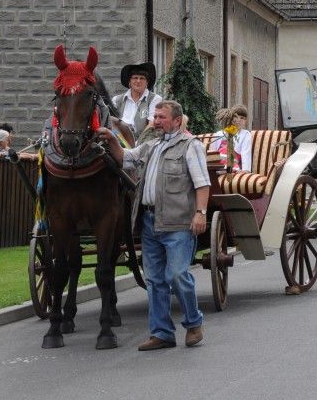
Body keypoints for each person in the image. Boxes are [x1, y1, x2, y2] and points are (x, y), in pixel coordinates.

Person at [98, 100, 208, 351]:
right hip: (149, 222)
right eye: (155, 117)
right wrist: (111, 138)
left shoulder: (191, 146)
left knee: (177, 275)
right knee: (155, 280)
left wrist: (200, 214)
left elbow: (202, 184)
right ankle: (162, 333)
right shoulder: (151, 146)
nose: (155, 121)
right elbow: (124, 158)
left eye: (161, 117)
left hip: (178, 223)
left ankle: (193, 323)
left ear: (177, 121)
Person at [112, 61, 162, 141]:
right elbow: (112, 124)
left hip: (145, 142)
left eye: (142, 78)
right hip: (120, 141)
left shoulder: (155, 99)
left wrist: (138, 144)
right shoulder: (116, 100)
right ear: (129, 81)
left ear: (147, 82)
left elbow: (152, 125)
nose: (138, 81)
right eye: (135, 78)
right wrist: (119, 141)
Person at [208, 105, 253, 172]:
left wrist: (246, 170)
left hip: (232, 167)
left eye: (242, 118)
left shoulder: (245, 134)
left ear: (245, 120)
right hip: (216, 166)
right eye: (235, 117)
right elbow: (212, 152)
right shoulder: (219, 134)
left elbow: (246, 153)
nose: (239, 120)